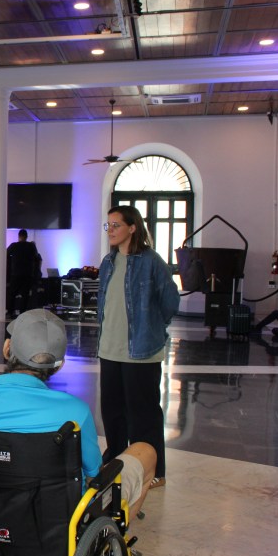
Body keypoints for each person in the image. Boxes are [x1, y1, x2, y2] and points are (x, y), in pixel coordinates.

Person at [0, 309, 156, 517]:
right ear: (59, 366)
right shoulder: (76, 413)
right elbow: (94, 474)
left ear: (6, 348)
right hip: (53, 521)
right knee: (145, 452)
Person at [97, 206, 179, 489]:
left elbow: (170, 301)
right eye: (108, 225)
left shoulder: (151, 261)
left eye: (116, 225)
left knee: (144, 415)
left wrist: (152, 327)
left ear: (132, 228)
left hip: (141, 352)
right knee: (112, 412)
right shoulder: (108, 262)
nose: (110, 231)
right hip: (110, 349)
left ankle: (153, 470)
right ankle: (116, 461)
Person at [6, 229, 41, 316]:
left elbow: (5, 254)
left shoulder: (14, 245)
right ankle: (22, 313)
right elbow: (37, 258)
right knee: (25, 294)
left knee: (12, 293)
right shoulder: (31, 246)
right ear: (26, 237)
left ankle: (10, 311)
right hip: (27, 274)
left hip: (15, 274)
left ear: (18, 236)